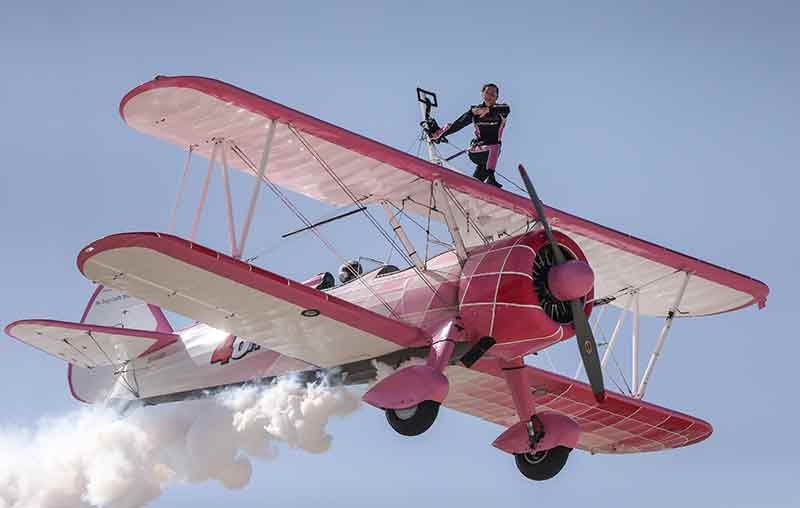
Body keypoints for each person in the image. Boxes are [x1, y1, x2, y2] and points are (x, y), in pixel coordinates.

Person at [430, 83, 510, 188]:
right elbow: (458, 124)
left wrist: (489, 110)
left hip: (490, 159)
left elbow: (506, 109)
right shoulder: (475, 111)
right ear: (482, 94)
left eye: (493, 94)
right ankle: (491, 178)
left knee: (476, 183)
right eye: (487, 93)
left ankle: (468, 190)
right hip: (476, 151)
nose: (489, 96)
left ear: (497, 97)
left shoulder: (501, 110)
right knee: (495, 147)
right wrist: (438, 135)